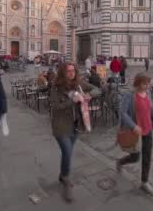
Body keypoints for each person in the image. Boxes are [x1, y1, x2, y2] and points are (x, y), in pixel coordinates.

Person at [49, 62, 94, 202]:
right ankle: (67, 180)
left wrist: (88, 95)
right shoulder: (56, 88)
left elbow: (98, 89)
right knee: (67, 152)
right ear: (63, 72)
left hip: (75, 125)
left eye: (73, 71)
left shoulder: (79, 84)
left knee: (67, 154)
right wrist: (73, 100)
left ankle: (63, 175)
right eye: (68, 71)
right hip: (61, 126)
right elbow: (56, 106)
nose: (71, 73)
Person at [116, 73, 153, 196]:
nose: (147, 86)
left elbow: (151, 110)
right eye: (145, 83)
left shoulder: (148, 93)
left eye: (148, 83)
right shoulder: (129, 95)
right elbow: (123, 113)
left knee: (147, 157)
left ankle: (144, 182)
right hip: (135, 131)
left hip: (148, 130)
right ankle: (120, 162)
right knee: (135, 157)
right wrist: (133, 126)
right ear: (138, 83)